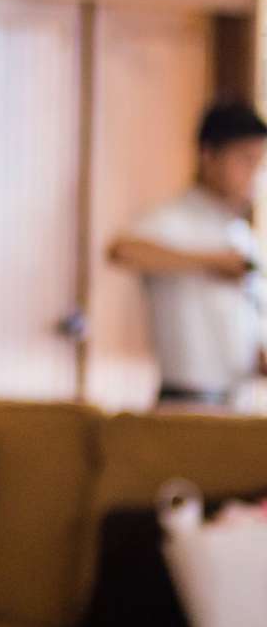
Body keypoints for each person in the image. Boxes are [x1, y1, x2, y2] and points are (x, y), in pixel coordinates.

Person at [106, 100, 267, 406]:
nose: (254, 175)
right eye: (245, 160)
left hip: (237, 400)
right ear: (208, 155)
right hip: (186, 400)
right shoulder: (172, 219)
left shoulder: (240, 234)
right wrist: (211, 262)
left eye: (260, 163)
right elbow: (122, 251)